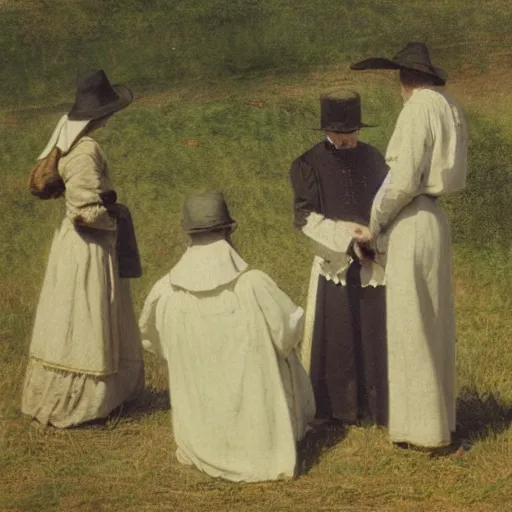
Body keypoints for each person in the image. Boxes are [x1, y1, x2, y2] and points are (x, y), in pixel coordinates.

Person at [139, 191, 315, 482]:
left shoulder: (165, 291)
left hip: (198, 424)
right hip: (257, 439)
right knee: (284, 353)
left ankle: (208, 443)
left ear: (188, 234)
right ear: (227, 230)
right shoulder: (253, 285)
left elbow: (154, 342)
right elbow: (291, 331)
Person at [350, 42, 469, 449]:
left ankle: (420, 431)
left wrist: (374, 224)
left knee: (410, 323)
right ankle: (440, 422)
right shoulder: (448, 107)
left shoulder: (418, 108)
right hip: (434, 219)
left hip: (413, 219)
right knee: (434, 320)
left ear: (404, 78)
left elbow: (402, 180)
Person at [21, 69, 144, 428]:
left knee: (70, 316)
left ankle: (66, 396)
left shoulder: (69, 144)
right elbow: (84, 212)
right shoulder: (87, 148)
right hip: (88, 245)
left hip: (72, 247)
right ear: (100, 114)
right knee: (87, 314)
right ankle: (82, 404)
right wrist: (115, 222)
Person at [289, 92, 389, 426]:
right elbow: (304, 218)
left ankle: (377, 408)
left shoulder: (374, 159)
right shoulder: (308, 164)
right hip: (335, 257)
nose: (345, 139)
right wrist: (346, 240)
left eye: (350, 133)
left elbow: (388, 206)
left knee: (374, 332)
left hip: (374, 257)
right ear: (326, 129)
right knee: (339, 335)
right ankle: (338, 409)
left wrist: (373, 237)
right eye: (337, 134)